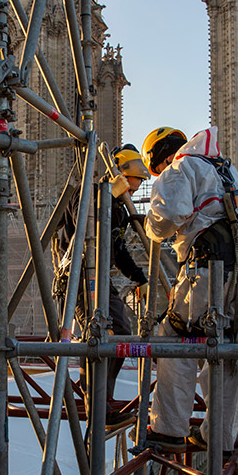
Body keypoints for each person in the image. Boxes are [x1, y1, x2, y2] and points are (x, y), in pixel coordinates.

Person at [141, 126, 238, 454]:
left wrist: (152, 226)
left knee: (174, 337)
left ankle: (168, 429)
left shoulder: (179, 168)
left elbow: (168, 217)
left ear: (161, 157)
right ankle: (220, 438)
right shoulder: (225, 168)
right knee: (229, 344)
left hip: (209, 269)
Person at [58, 145, 151, 428]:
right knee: (97, 333)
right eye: (133, 186)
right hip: (78, 275)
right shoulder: (86, 193)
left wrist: (141, 278)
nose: (134, 193)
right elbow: (83, 227)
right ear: (121, 174)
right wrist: (108, 197)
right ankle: (97, 406)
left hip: (100, 276)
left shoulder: (120, 210)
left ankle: (101, 401)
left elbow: (119, 250)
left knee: (121, 330)